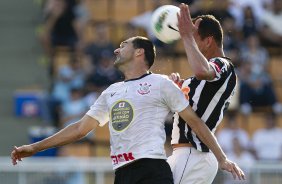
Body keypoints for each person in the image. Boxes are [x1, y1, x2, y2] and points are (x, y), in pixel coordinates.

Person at [11, 36, 244, 184]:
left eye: (123, 45)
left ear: (139, 52)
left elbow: (194, 121)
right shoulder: (111, 91)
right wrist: (35, 147)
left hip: (152, 169)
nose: (116, 50)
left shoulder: (161, 84)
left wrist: (222, 158)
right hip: (122, 173)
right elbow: (80, 129)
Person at [167, 4, 242, 184]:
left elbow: (202, 71)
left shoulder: (224, 65)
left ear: (208, 41)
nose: (188, 43)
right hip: (187, 155)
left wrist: (186, 35)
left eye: (194, 39)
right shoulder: (203, 78)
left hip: (193, 154)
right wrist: (177, 89)